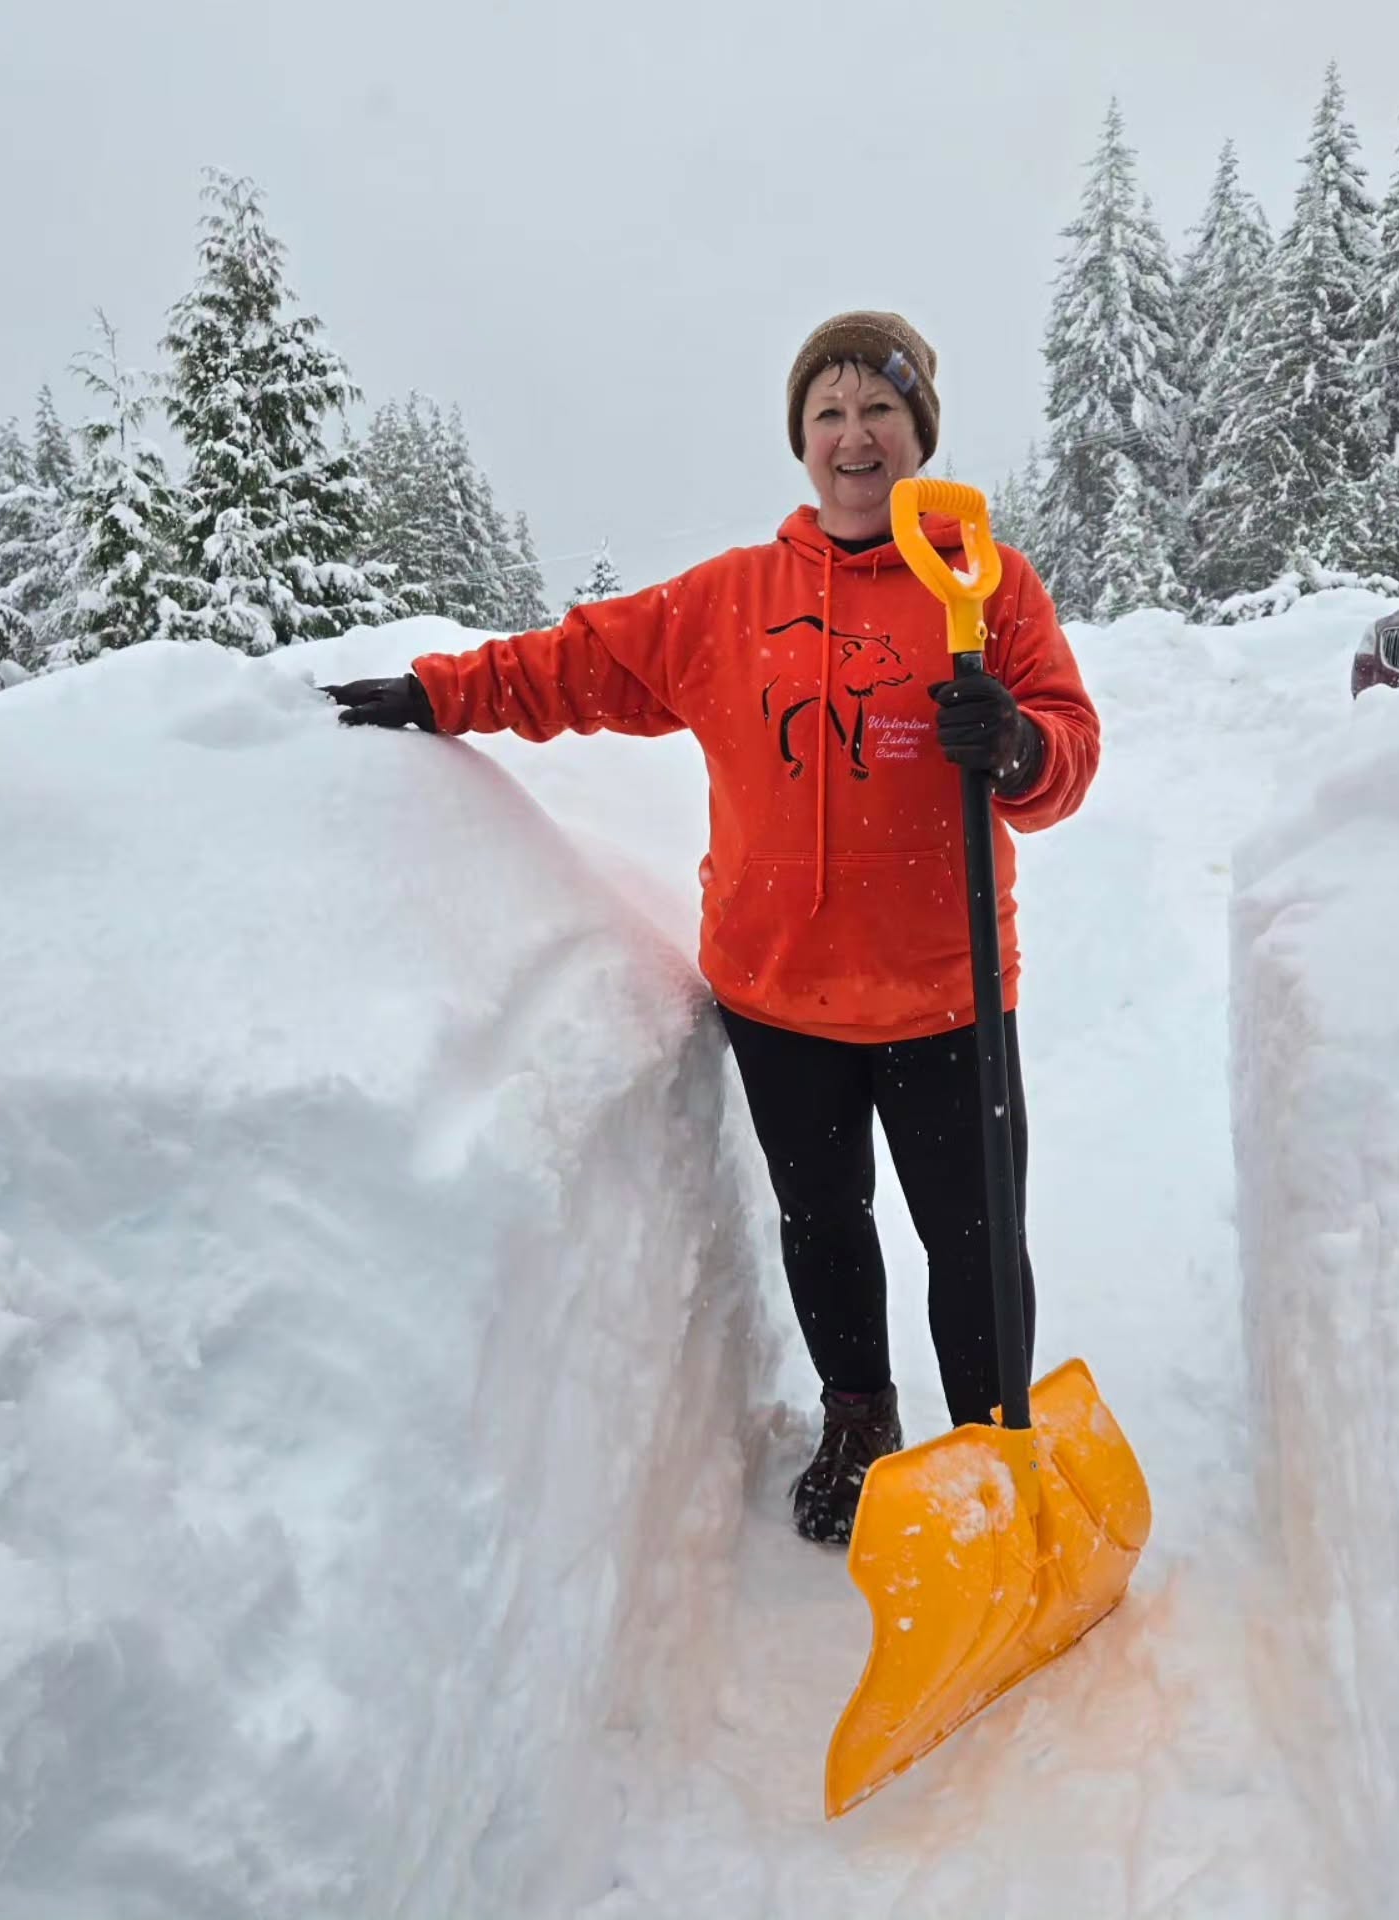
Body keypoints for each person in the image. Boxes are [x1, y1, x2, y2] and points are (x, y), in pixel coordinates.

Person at [324, 311, 1100, 1546]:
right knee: (825, 1222)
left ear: (921, 435)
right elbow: (575, 665)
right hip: (782, 997)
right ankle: (859, 1422)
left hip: (949, 990)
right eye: (829, 413)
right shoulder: (731, 600)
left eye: (880, 410)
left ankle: (996, 1449)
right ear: (802, 440)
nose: (856, 436)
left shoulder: (989, 588)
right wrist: (439, 690)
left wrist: (1014, 743)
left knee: (976, 1243)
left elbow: (1068, 755)